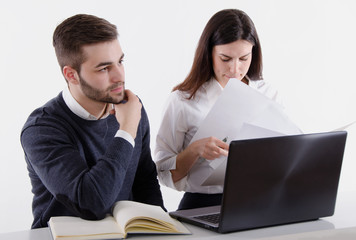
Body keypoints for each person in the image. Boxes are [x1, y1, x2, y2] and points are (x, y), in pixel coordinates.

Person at [20, 14, 164, 229]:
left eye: (120, 62)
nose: (119, 76)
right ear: (71, 75)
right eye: (104, 68)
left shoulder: (131, 108)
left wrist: (165, 229)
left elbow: (145, 182)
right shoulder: (41, 129)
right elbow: (91, 204)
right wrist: (126, 130)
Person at [154, 9, 283, 210]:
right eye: (225, 59)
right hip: (203, 204)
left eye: (243, 59)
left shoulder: (267, 94)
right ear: (209, 53)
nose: (235, 70)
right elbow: (163, 172)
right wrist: (195, 150)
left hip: (258, 201)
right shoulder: (182, 100)